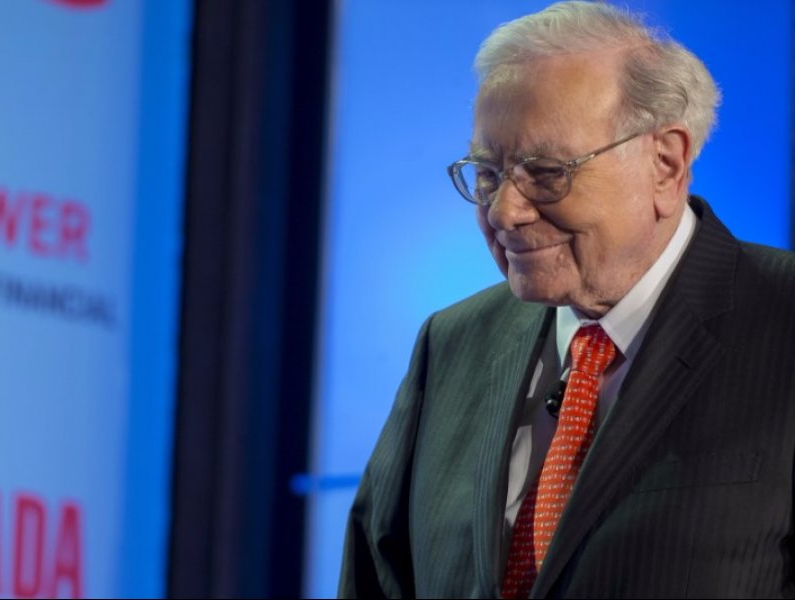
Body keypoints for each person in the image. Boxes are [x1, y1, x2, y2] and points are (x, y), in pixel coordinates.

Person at [338, 1, 795, 598]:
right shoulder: (450, 344)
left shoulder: (781, 323)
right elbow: (380, 577)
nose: (505, 211)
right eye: (487, 173)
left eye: (546, 171)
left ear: (666, 162)